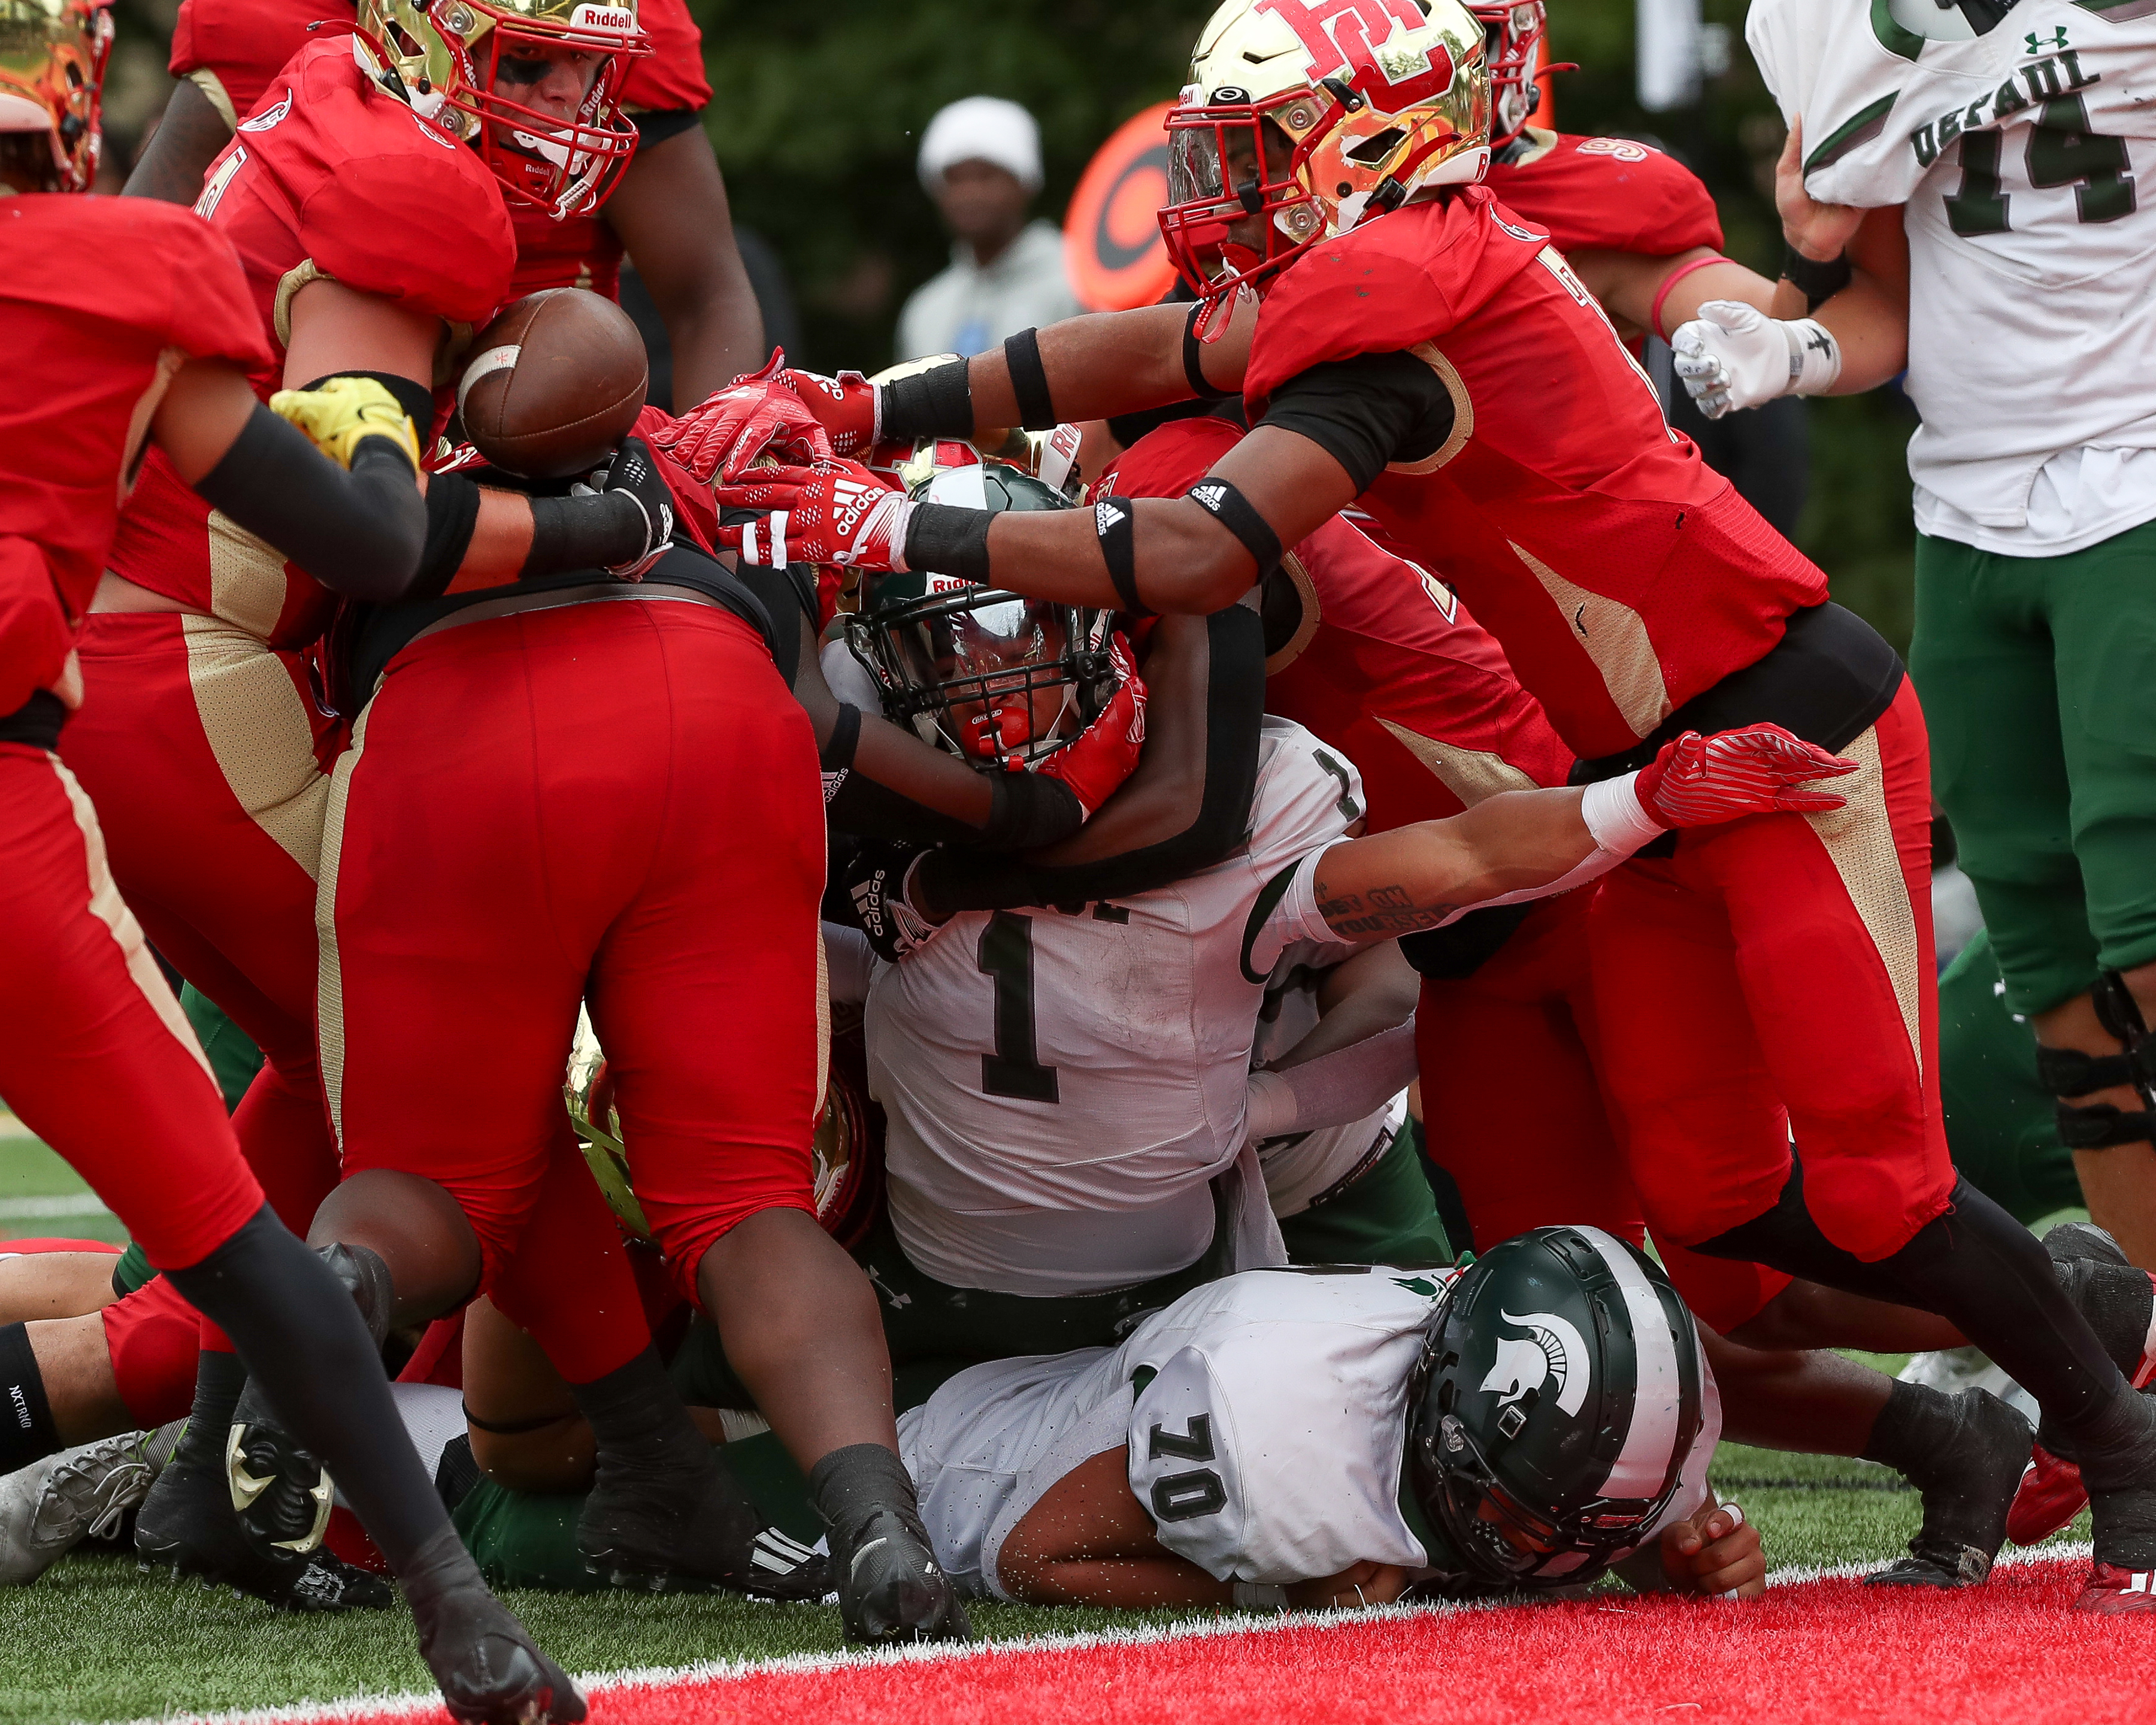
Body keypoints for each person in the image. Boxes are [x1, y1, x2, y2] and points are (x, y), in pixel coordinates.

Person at [700, 0, 2156, 1614]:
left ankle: (2124, 1441)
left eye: (1253, 149)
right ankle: (1971, 1414)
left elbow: (1189, 551)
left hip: (1789, 728)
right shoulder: (1373, 271)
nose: (1214, 185)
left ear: (1371, 143)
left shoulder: (1400, 294)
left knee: (1871, 1189)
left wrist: (872, 519)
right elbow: (1158, 350)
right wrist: (862, 407)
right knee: (1715, 1200)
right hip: (1643, 778)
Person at [65, 0, 681, 1608]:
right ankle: (657, 1461)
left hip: (145, 666)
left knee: (332, 1074)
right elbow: (369, 537)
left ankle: (206, 1481)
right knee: (463, 1072)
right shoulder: (406, 183)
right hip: (192, 683)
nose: (561, 105)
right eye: (528, 64)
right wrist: (597, 529)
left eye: (580, 72)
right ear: (424, 35)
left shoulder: (337, 94)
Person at [1679, 1, 2156, 1279]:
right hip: (1967, 515)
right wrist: (1797, 346)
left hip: (2141, 480)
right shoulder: (1833, 20)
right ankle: (2151, 1333)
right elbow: (1874, 276)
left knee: (2149, 920)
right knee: (2052, 958)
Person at [914, 1231, 1759, 1609]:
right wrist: (1270, 1589)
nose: (1556, 1560)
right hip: (950, 1485)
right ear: (1448, 1425)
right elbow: (1030, 1556)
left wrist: (1677, 1563)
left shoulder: (1637, 1406)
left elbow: (1597, 1517)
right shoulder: (1265, 1426)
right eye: (1526, 1518)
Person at [126, 0, 767, 406]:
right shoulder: (266, 23)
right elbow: (130, 272)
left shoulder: (617, 18)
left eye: (583, 61)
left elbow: (707, 297)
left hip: (552, 415)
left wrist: (719, 474)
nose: (569, 88)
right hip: (288, 432)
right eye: (529, 58)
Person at [897, 96, 1080, 362]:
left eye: (986, 176)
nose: (969, 193)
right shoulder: (926, 309)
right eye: (954, 179)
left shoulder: (1080, 281)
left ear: (1025, 184)